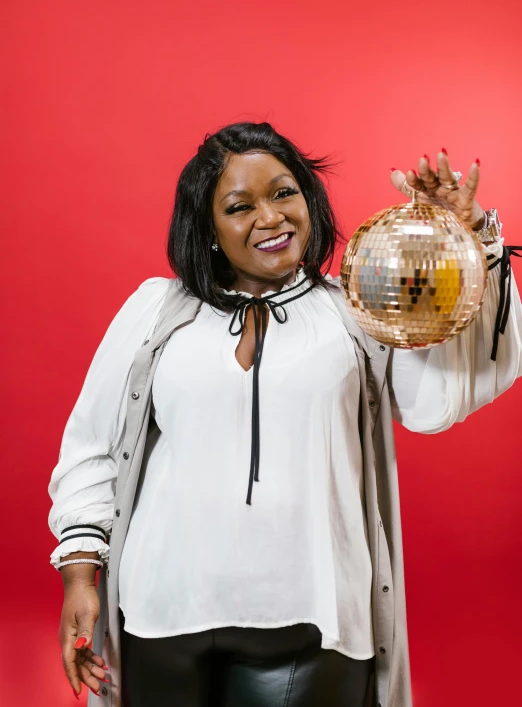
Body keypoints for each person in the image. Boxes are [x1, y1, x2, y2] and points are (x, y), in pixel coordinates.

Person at [47, 122, 522, 707]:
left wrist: (464, 238)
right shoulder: (156, 311)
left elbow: (438, 400)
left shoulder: (358, 309)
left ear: (309, 199)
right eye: (240, 206)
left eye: (283, 193)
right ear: (210, 229)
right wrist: (80, 578)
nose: (270, 218)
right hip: (161, 611)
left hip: (312, 618)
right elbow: (91, 447)